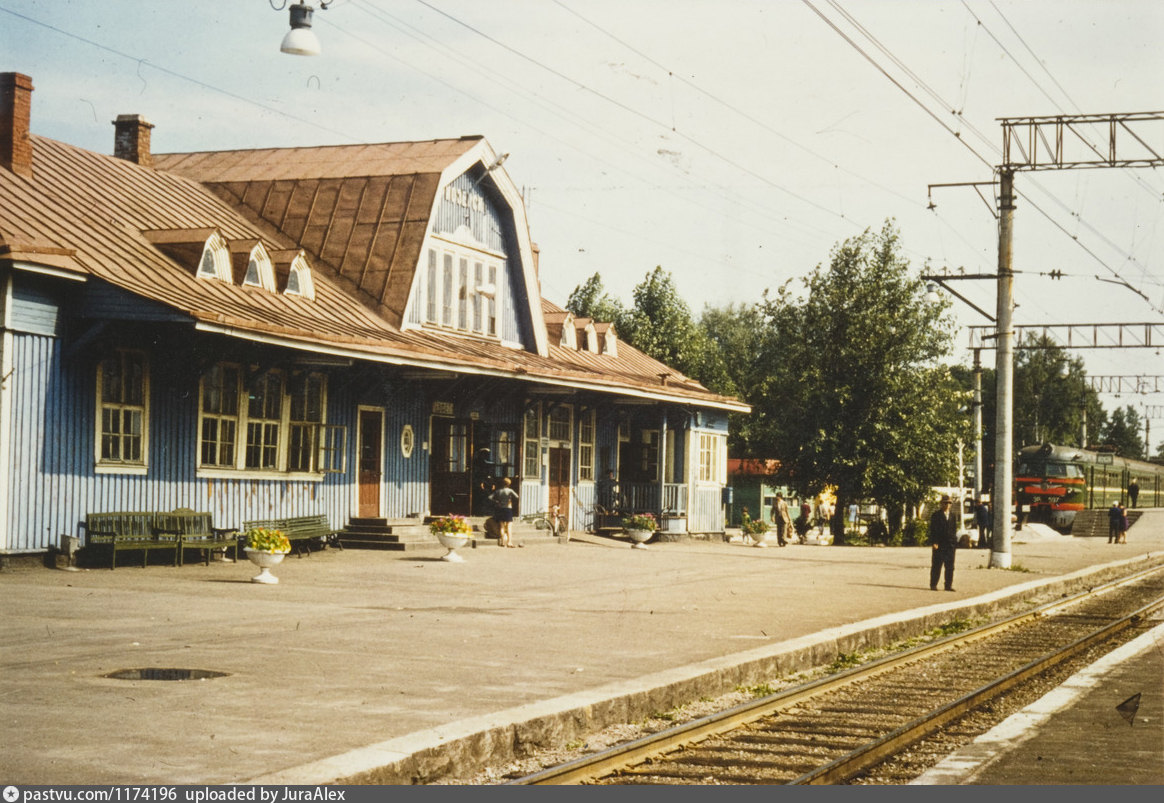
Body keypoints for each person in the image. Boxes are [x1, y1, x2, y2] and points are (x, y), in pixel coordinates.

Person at [929, 494, 959, 592]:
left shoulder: (953, 516)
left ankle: (948, 585)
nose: (947, 505)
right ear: (941, 504)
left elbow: (954, 529)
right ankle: (933, 584)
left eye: (949, 503)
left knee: (950, 566)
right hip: (939, 544)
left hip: (950, 545)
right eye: (945, 503)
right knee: (937, 565)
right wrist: (934, 542)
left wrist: (954, 542)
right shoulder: (936, 515)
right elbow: (933, 530)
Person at [489, 477, 520, 548]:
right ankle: (509, 542)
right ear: (509, 484)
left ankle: (503, 542)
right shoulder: (510, 490)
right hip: (508, 508)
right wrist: (509, 499)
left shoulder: (498, 491)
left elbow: (490, 497)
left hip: (500, 508)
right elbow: (517, 496)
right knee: (509, 526)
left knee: (501, 526)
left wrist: (496, 501)